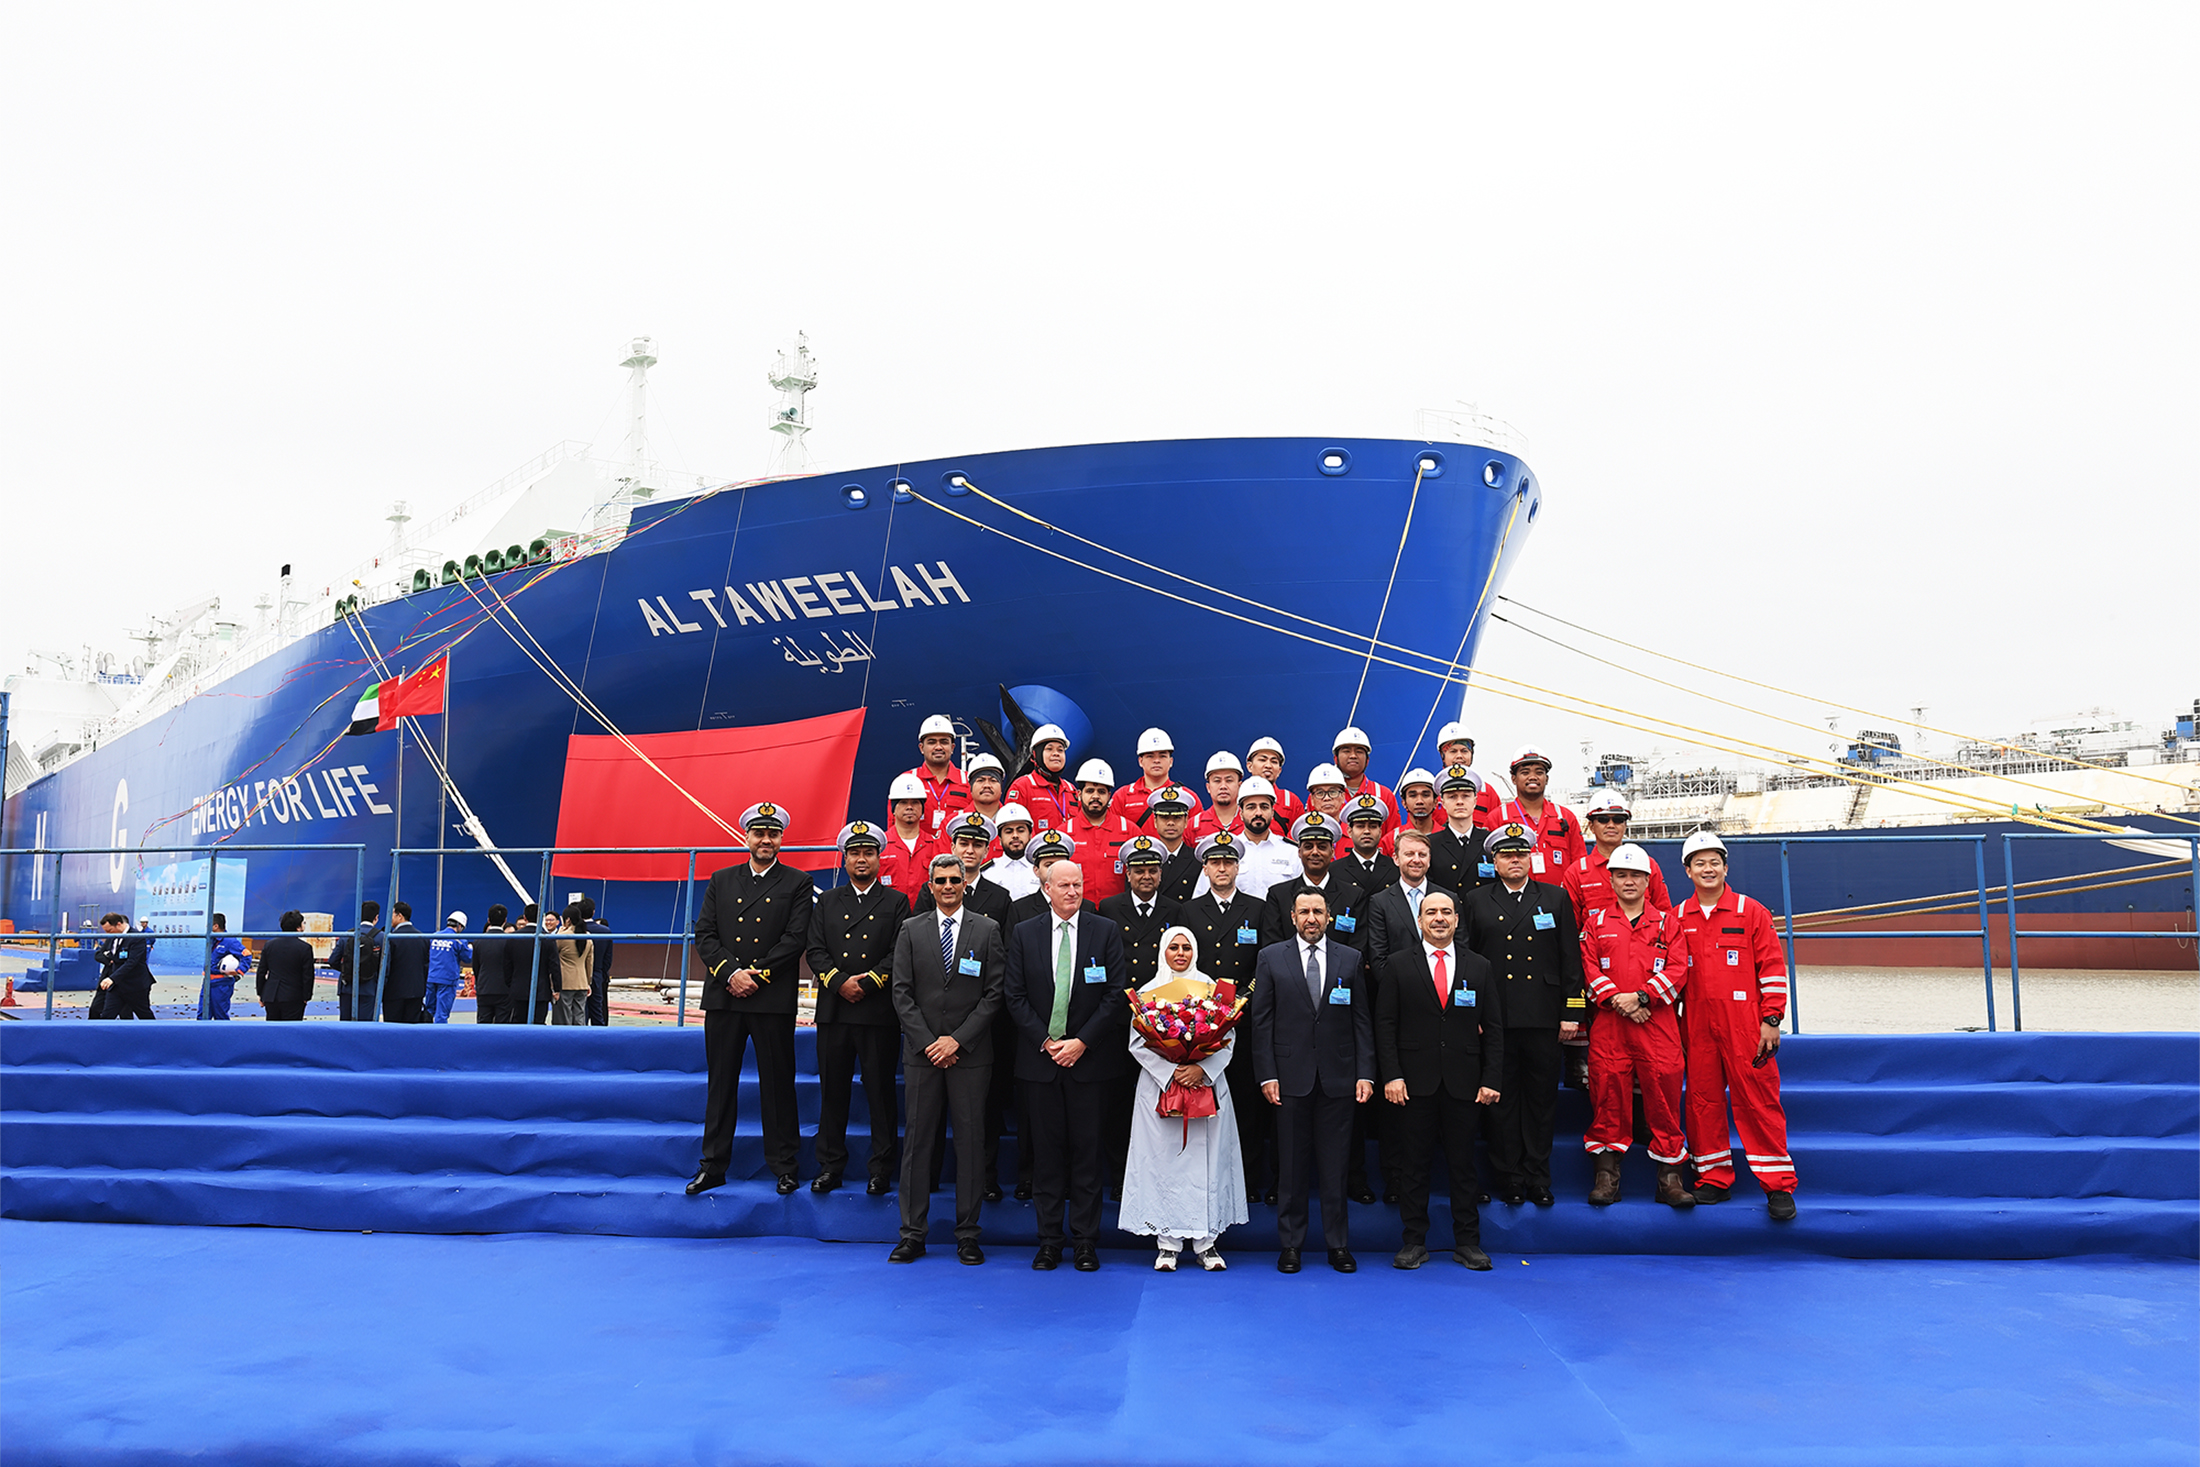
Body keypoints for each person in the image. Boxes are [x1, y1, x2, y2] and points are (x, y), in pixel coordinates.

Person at [1003, 857, 1130, 1271]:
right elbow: (1014, 995)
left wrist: (1081, 1042)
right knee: (1047, 1157)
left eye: (1077, 884)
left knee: (1088, 1156)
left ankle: (1086, 1241)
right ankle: (1049, 1241)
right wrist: (1045, 1040)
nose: (1073, 892)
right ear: (1047, 889)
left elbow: (1115, 994)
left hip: (1090, 1064)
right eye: (1064, 885)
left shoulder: (1104, 930)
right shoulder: (1025, 932)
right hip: (1040, 1063)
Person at [1666, 830, 1797, 1219]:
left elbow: (1772, 968)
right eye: (1699, 863)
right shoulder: (1677, 917)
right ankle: (1713, 1178)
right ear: (1687, 871)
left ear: (1725, 867)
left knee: (1759, 1100)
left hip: (1746, 1025)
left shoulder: (1750, 911)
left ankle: (1777, 1185)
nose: (1707, 869)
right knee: (1702, 1102)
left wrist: (1771, 1018)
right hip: (1696, 1024)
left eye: (1714, 862)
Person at [690, 802, 815, 1197]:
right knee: (720, 1084)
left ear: (781, 839)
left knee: (778, 1084)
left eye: (773, 834)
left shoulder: (798, 882)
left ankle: (785, 1165)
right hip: (725, 995)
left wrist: (755, 974)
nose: (766, 840)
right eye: (759, 833)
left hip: (770, 997)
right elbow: (705, 934)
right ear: (746, 837)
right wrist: (731, 973)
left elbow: (795, 938)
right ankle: (713, 1165)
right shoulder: (721, 879)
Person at [889, 852, 1008, 1265]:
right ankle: (912, 1234)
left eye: (954, 880)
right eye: (940, 881)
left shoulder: (987, 929)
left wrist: (956, 1041)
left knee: (971, 1145)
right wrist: (929, 1042)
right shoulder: (911, 929)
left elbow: (994, 993)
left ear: (964, 883)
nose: (947, 887)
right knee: (918, 1143)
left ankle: (968, 1235)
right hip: (923, 1055)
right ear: (930, 885)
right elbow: (901, 992)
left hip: (969, 1055)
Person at [1248, 888, 1374, 1273]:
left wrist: (1365, 1073)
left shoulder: (1350, 958)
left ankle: (1338, 1245)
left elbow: (1361, 1021)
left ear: (1329, 917)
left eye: (1318, 911)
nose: (1311, 918)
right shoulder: (1271, 957)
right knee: (1291, 1167)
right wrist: (1267, 1074)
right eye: (1304, 911)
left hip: (1339, 1078)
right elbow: (1261, 1022)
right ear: (1292, 917)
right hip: (1289, 1078)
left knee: (1336, 1168)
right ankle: (1291, 1245)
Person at [1460, 823, 1585, 1208]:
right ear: (1494, 861)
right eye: (1506, 855)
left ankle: (1538, 1177)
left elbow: (1570, 959)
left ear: (1530, 858)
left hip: (1543, 1016)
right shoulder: (1476, 900)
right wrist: (1471, 1013)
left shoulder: (1555, 897)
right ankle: (1510, 1178)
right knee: (1500, 1102)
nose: (1515, 860)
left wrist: (1572, 1012)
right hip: (1496, 1017)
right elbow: (1468, 962)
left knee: (1541, 1101)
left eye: (1521, 854)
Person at [1376, 889, 1502, 1269]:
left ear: (1457, 919)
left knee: (1463, 1167)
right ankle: (1414, 1242)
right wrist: (1392, 1075)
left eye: (1446, 912)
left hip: (1465, 1083)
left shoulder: (1479, 966)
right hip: (1413, 1084)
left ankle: (1468, 1242)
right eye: (1431, 912)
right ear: (1420, 921)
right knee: (1414, 1167)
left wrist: (1491, 1078)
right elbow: (1385, 1025)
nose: (1439, 918)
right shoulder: (1398, 964)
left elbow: (1494, 1028)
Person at [1121, 927, 1248, 1271]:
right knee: (1164, 1163)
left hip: (1206, 1087)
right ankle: (1167, 1244)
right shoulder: (1147, 993)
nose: (1180, 953)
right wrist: (1172, 1072)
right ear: (1162, 951)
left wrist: (1201, 1070)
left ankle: (1207, 1243)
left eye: (1187, 947)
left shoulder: (1212, 990)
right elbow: (1138, 1044)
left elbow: (1227, 1040)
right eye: (1174, 947)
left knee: (1208, 1165)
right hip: (1160, 1090)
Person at [1578, 843, 1693, 1208]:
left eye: (1636, 876)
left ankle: (1670, 1179)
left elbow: (1679, 969)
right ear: (1611, 880)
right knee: (1607, 1095)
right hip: (1611, 1025)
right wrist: (1620, 1001)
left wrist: (1643, 997)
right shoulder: (1595, 923)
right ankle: (1606, 1177)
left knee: (1664, 1095)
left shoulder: (1668, 923)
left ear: (1648, 881)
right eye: (1621, 875)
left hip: (1656, 1024)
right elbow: (1587, 968)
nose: (1629, 882)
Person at [916, 812, 1020, 1201]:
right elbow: (918, 953)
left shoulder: (999, 897)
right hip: (933, 1023)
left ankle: (985, 1177)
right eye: (964, 842)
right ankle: (928, 1176)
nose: (970, 849)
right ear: (953, 845)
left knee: (982, 1109)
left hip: (980, 1026)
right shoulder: (928, 892)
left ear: (987, 849)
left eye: (978, 844)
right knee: (930, 1111)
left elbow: (1002, 962)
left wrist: (970, 1029)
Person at [809, 822, 913, 1197]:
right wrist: (839, 982)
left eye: (869, 853)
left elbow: (898, 952)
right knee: (833, 1092)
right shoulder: (827, 901)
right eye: (854, 853)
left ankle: (881, 1168)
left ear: (879, 858)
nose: (862, 859)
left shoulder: (896, 902)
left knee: (880, 1094)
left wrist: (867, 982)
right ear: (845, 859)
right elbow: (815, 949)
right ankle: (830, 1166)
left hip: (876, 1011)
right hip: (835, 1010)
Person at [1179, 832, 1271, 1201]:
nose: (1222, 868)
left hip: (1242, 1020)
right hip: (1203, 1024)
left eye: (1228, 862)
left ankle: (1246, 1179)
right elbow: (1184, 964)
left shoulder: (1258, 908)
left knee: (1246, 1103)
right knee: (1205, 1103)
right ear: (1205, 868)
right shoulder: (1188, 910)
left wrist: (1242, 1000)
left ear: (1237, 867)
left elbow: (1264, 961)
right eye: (1215, 862)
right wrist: (1205, 1009)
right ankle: (1203, 1180)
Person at [1097, 836, 1182, 1197]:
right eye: (1139, 870)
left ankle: (1161, 1175)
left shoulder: (1175, 910)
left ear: (1161, 874)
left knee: (1159, 1100)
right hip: (1120, 1019)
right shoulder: (1108, 907)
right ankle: (1121, 1176)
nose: (1146, 876)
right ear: (1127, 874)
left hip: (1161, 1023)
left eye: (1152, 870)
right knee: (1118, 1102)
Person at [1562, 791, 1673, 922]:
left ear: (1625, 825)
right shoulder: (1576, 873)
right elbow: (1571, 925)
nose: (1611, 825)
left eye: (1618, 820)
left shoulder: (1647, 865)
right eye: (1603, 819)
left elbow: (1664, 916)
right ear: (1591, 826)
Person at [1495, 745, 1587, 880]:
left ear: (1547, 779)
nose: (1533, 777)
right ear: (1513, 779)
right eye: (1525, 773)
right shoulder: (1498, 817)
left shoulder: (1565, 817)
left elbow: (1579, 864)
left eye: (1539, 773)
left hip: (1560, 893)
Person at [1201, 776, 1300, 900]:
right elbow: (1202, 898)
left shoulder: (1292, 853)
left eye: (1264, 807)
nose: (1258, 813)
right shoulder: (1225, 852)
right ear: (1241, 813)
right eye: (1251, 807)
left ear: (1272, 812)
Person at [1066, 758, 1132, 904]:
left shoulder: (1129, 831)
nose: (1095, 796)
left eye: (1101, 791)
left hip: (1118, 911)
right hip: (1078, 910)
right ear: (1079, 794)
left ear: (1109, 796)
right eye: (1090, 791)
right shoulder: (1064, 834)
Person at [1427, 765, 1493, 898]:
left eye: (1466, 796)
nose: (1459, 802)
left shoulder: (1490, 842)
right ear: (1442, 803)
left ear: (1475, 801)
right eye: (1452, 797)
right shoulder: (1431, 844)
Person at [905, 713, 972, 838]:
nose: (938, 747)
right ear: (921, 748)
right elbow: (894, 827)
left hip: (956, 850)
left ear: (952, 747)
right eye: (932, 742)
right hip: (919, 850)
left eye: (944, 742)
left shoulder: (969, 782)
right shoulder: (906, 781)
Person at [1110, 727, 1188, 828]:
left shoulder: (1186, 796)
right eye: (1150, 756)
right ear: (1140, 761)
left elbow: (1195, 833)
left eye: (1162, 756)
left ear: (1171, 761)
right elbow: (1112, 829)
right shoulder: (1122, 796)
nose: (1156, 761)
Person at [1330, 727, 1400, 839]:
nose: (1353, 755)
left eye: (1359, 751)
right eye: (1346, 751)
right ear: (1335, 759)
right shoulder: (1321, 796)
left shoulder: (1384, 795)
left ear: (1367, 760)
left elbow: (1392, 840)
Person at [1006, 723, 1077, 832]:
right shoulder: (1021, 787)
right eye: (1049, 749)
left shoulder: (1071, 790)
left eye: (1060, 750)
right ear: (1035, 754)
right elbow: (1012, 831)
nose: (1056, 754)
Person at [1435, 722, 1505, 828]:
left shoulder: (1487, 793)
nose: (1459, 756)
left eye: (1464, 751)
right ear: (1442, 755)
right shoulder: (1430, 794)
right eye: (1453, 751)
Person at [256, 910, 318, 1022]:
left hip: (271, 995)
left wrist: (261, 993)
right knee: (291, 1029)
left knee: (273, 1028)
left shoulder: (269, 945)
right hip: (294, 996)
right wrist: (306, 996)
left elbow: (261, 971)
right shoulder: (304, 948)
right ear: (298, 927)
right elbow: (308, 975)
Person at [879, 772, 937, 892]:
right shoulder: (880, 845)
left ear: (922, 808)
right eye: (903, 802)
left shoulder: (935, 845)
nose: (909, 807)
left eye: (915, 802)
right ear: (893, 809)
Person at [91, 913, 155, 1020]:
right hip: (117, 986)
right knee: (107, 1015)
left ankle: (155, 1030)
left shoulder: (136, 937)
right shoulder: (113, 937)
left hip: (135, 985)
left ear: (119, 924)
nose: (108, 934)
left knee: (144, 1015)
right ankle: (102, 1031)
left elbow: (131, 962)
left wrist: (112, 978)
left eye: (110, 930)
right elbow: (104, 954)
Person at [1144, 786, 1201, 903]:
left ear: (1186, 821)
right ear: (1155, 821)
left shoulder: (1197, 860)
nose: (1170, 823)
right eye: (1164, 817)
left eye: (1177, 817)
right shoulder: (1144, 858)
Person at [329, 900, 383, 1023]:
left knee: (346, 1025)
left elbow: (333, 960)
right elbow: (385, 967)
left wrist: (346, 969)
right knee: (365, 1026)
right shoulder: (381, 937)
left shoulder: (347, 935)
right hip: (369, 988)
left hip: (347, 987)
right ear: (376, 917)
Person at [1337, 794, 1400, 891]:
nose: (1367, 831)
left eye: (1373, 826)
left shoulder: (1396, 868)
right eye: (1360, 826)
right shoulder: (1335, 870)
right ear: (1349, 831)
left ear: (1380, 831)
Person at [1244, 737, 1306, 834]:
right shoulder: (1235, 799)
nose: (1268, 765)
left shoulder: (1291, 801)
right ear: (1249, 766)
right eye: (1262, 760)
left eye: (1274, 761)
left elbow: (1299, 837)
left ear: (1279, 771)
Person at [982, 803, 1041, 903]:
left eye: (1021, 830)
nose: (1015, 835)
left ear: (1030, 835)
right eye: (1009, 831)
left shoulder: (1042, 870)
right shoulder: (987, 872)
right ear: (1000, 838)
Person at [381, 902, 429, 1024]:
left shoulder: (391, 938)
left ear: (400, 916)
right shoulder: (422, 938)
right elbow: (426, 966)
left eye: (392, 914)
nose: (390, 918)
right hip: (416, 992)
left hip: (394, 992)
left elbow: (386, 967)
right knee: (412, 1029)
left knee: (393, 1028)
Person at [425, 911, 474, 1024]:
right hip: (447, 980)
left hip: (432, 978)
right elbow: (468, 958)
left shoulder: (434, 937)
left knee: (428, 1012)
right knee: (441, 1015)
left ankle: (425, 1033)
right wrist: (470, 948)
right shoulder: (459, 940)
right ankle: (439, 1035)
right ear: (460, 926)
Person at [508, 904, 553, 1024]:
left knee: (518, 1024)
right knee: (539, 1024)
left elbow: (507, 965)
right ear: (541, 917)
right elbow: (554, 965)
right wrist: (556, 988)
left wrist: (511, 984)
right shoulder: (547, 938)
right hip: (541, 991)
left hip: (518, 989)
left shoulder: (513, 938)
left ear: (525, 917)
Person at [202, 913, 251, 1021]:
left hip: (221, 984)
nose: (206, 927)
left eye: (208, 924)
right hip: (207, 982)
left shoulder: (230, 941)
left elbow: (247, 955)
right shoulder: (211, 940)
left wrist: (239, 971)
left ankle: (223, 1032)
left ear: (215, 926)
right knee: (203, 1014)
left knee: (220, 1015)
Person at [1383, 769, 1442, 856]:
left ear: (1435, 801)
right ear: (1404, 803)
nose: (1419, 801)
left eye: (1425, 795)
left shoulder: (1448, 836)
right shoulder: (1390, 840)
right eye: (1413, 795)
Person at [1190, 752, 1245, 841]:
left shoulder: (1252, 821)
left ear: (1239, 786)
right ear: (1208, 787)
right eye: (1217, 781)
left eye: (1229, 780)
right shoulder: (1193, 826)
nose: (1223, 786)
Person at [471, 905, 513, 1023]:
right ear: (505, 921)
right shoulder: (510, 941)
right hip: (504, 989)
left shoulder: (478, 941)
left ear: (488, 920)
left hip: (484, 987)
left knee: (483, 1024)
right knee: (502, 1025)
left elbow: (476, 966)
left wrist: (480, 982)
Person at [553, 903, 592, 1025]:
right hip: (582, 982)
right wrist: (588, 982)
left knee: (564, 1018)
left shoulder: (562, 937)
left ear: (568, 920)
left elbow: (552, 957)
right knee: (580, 1016)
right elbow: (589, 963)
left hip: (565, 983)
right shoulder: (588, 937)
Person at [580, 897, 615, 1026]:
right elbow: (608, 958)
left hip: (579, 975)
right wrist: (601, 973)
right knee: (597, 1011)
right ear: (593, 912)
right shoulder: (605, 931)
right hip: (597, 974)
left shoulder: (575, 931)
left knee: (580, 1012)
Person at [965, 752, 1008, 831]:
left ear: (1001, 787)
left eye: (993, 780)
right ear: (970, 787)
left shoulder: (1016, 822)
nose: (987, 785)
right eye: (980, 780)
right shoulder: (955, 822)